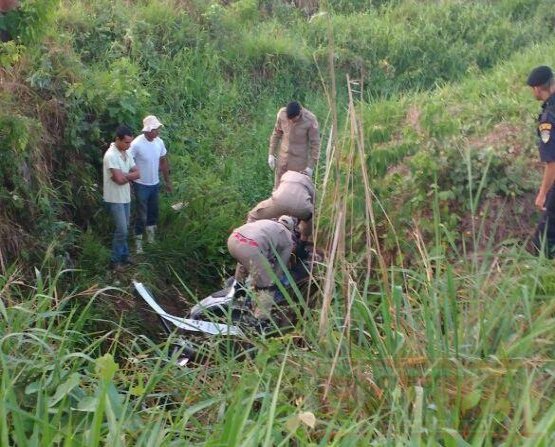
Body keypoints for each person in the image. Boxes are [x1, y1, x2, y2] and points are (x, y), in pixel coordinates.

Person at [227, 216, 295, 318]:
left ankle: (233, 296)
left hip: (233, 239)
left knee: (243, 269)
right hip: (251, 248)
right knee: (268, 286)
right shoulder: (288, 238)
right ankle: (259, 322)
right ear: (291, 229)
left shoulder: (266, 222)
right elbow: (280, 267)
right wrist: (269, 281)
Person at [130, 115, 172, 254]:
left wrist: (167, 181)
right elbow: (128, 161)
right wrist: (132, 177)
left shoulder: (159, 142)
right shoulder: (136, 144)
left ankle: (151, 240)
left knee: (153, 212)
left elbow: (163, 162)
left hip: (154, 183)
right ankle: (138, 244)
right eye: (155, 129)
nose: (157, 132)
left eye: (158, 129)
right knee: (141, 214)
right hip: (141, 184)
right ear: (147, 130)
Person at [247, 170, 314, 251]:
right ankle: (301, 247)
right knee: (307, 224)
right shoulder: (311, 184)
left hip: (279, 202)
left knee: (253, 215)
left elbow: (279, 189)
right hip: (301, 208)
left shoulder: (287, 174)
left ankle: (248, 237)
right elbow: (312, 203)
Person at [103, 125, 140, 271]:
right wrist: (127, 176)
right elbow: (119, 180)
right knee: (122, 230)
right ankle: (114, 261)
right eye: (126, 142)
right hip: (114, 198)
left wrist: (124, 175)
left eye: (130, 142)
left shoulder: (126, 153)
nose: (129, 145)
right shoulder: (111, 155)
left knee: (125, 228)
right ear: (117, 139)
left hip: (125, 197)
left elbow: (138, 173)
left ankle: (124, 256)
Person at [527, 65, 555, 257]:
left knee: (544, 239)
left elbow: (552, 162)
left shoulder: (548, 117)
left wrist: (543, 193)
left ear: (537, 88)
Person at [268, 101, 320, 187]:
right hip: (282, 161)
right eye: (289, 119)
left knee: (295, 192)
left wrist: (310, 167)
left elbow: (315, 145)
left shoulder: (310, 120)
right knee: (278, 189)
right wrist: (271, 154)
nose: (291, 122)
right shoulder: (282, 114)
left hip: (298, 166)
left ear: (299, 113)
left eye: (293, 120)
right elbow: (276, 134)